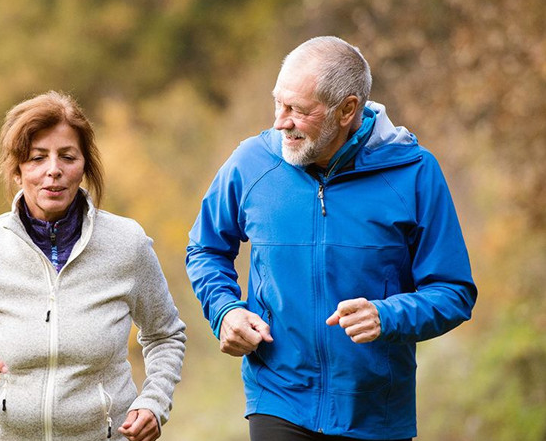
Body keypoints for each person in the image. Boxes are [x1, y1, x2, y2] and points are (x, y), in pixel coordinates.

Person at [186, 36, 477, 441]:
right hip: (278, 399)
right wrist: (225, 311)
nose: (280, 121)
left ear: (347, 110)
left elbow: (453, 291)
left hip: (376, 413)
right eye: (279, 103)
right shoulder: (251, 163)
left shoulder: (414, 173)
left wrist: (387, 316)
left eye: (299, 111)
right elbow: (205, 248)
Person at [0, 91, 186, 441]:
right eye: (38, 158)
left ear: (84, 166)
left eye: (67, 156)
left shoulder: (126, 244)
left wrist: (153, 403)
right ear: (17, 170)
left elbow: (166, 335)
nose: (53, 170)